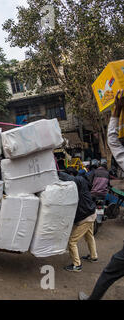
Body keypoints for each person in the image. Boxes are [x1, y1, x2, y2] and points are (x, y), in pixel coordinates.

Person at [79, 89, 124, 299]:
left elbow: (113, 141)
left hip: (94, 197)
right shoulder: (105, 174)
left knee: (110, 271)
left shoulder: (88, 174)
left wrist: (116, 109)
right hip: (102, 196)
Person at [58, 167, 97, 272]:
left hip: (86, 217)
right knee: (89, 236)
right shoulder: (83, 182)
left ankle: (77, 265)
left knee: (72, 241)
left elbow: (71, 178)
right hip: (91, 213)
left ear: (71, 174)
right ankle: (93, 256)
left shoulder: (79, 180)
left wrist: (56, 173)